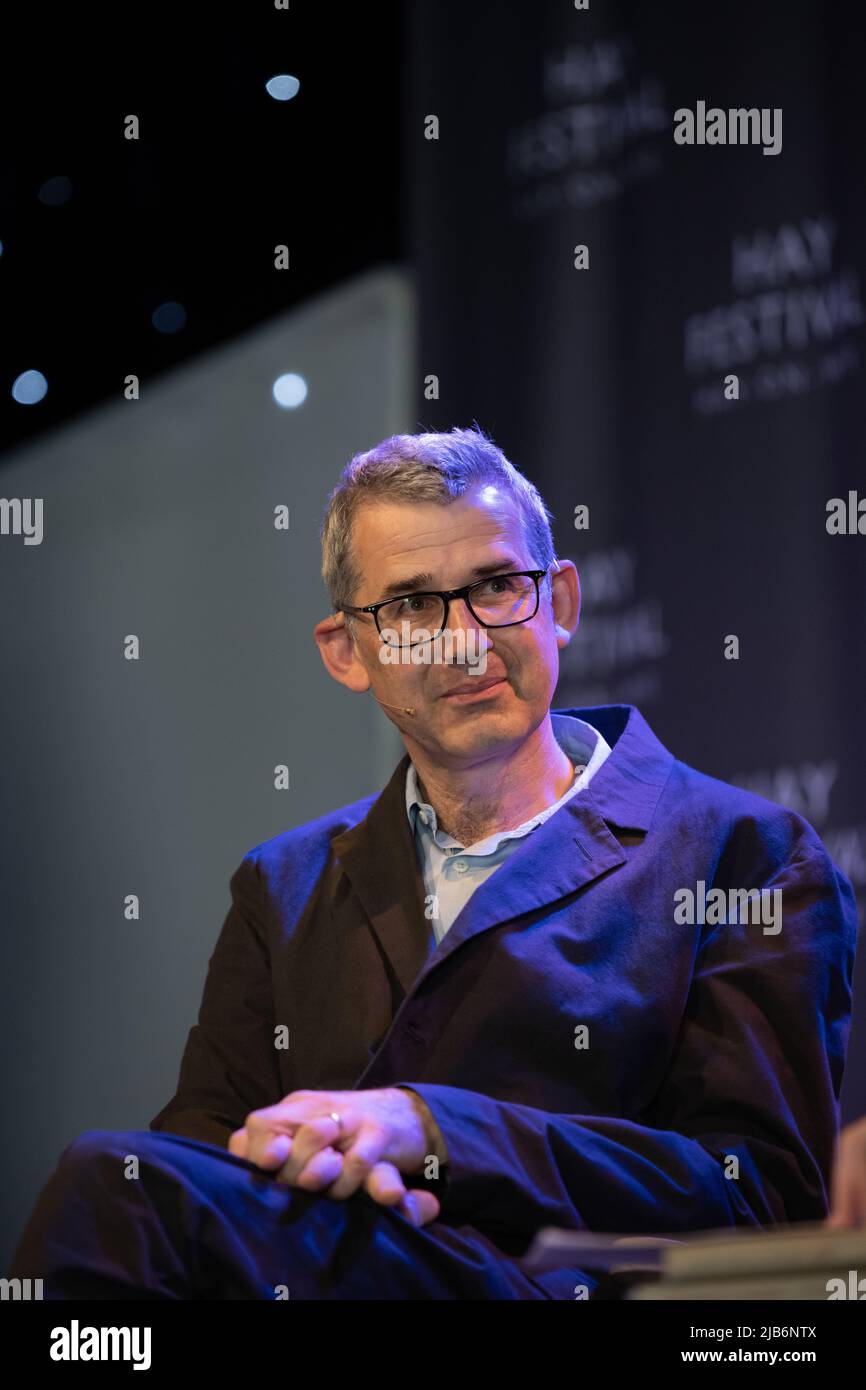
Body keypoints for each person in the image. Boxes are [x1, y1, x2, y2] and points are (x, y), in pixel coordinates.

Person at [8, 425, 860, 1299]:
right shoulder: (284, 883)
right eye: (411, 607)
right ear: (347, 652)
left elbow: (760, 1193)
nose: (461, 639)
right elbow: (205, 1160)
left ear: (559, 603)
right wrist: (318, 1159)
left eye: (496, 586)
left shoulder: (743, 856)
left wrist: (433, 1133)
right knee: (128, 1190)